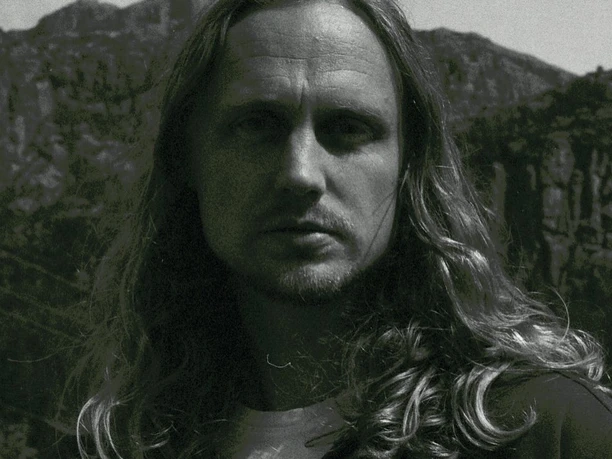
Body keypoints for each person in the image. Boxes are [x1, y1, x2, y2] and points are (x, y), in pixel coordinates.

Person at [73, 0, 612, 457]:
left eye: (347, 127)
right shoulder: (126, 441)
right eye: (257, 124)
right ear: (187, 157)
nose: (300, 173)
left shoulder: (544, 430)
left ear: (409, 166)